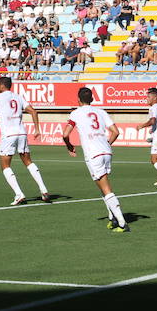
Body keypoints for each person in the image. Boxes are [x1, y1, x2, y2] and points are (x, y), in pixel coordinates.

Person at [62, 87, 129, 233]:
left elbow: (65, 134)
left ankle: (122, 223)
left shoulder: (76, 113)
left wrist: (69, 146)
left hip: (94, 154)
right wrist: (106, 145)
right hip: (106, 152)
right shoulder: (101, 112)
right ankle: (113, 217)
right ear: (92, 99)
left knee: (106, 188)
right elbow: (116, 132)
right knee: (102, 186)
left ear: (78, 100)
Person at [0, 76, 50, 206]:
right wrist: (37, 129)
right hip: (21, 133)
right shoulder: (18, 97)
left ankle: (19, 194)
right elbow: (33, 111)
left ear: (1, 85)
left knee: (5, 166)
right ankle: (43, 190)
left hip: (8, 135)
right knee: (28, 162)